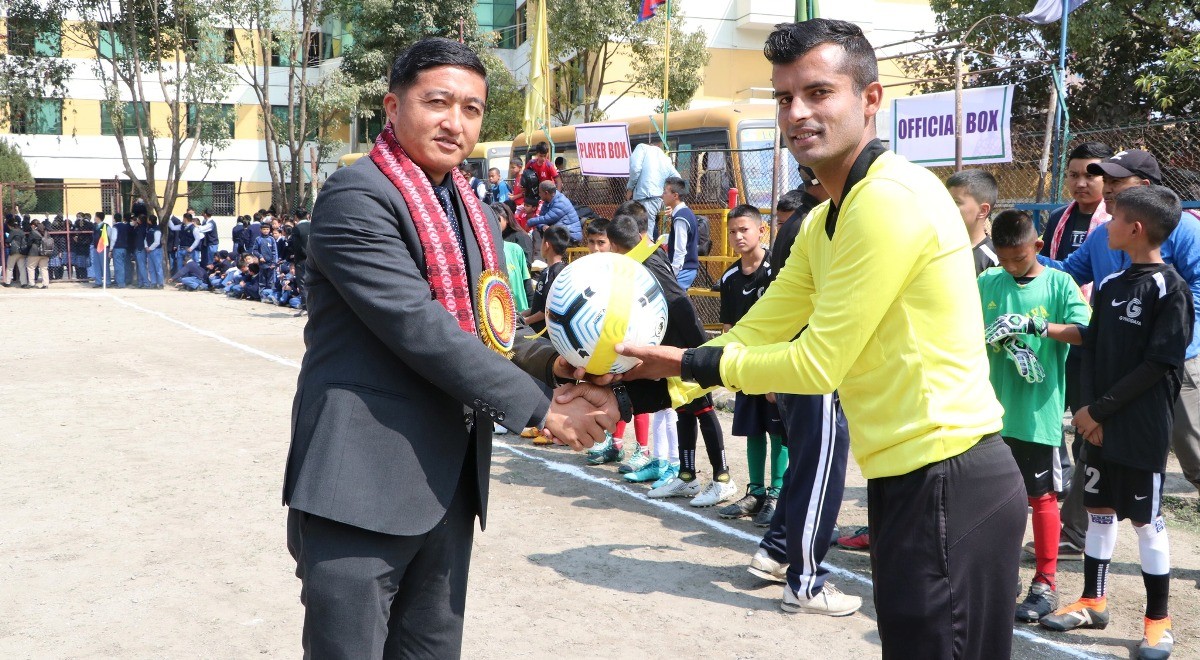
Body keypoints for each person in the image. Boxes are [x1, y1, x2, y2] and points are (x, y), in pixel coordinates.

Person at [592, 20, 1025, 651]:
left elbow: (819, 363)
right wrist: (632, 391)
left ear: (870, 99)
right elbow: (758, 329)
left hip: (948, 478)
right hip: (909, 478)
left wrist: (687, 362)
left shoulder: (889, 198)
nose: (797, 113)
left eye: (819, 92)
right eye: (784, 97)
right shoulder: (826, 219)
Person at [281, 37, 619, 658]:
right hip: (360, 486)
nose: (455, 122)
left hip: (448, 488)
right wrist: (542, 408)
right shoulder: (356, 197)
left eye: (472, 109)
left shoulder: (475, 213)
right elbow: (420, 326)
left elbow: (493, 327)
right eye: (437, 102)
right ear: (393, 106)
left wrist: (558, 363)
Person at [1039, 186, 1190, 660]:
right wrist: (1086, 411)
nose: (1106, 225)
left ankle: (1158, 621)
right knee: (1100, 511)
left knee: (1146, 521)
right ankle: (1093, 600)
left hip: (1140, 427)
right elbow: (1093, 345)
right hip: (1099, 423)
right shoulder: (1109, 285)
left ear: (1136, 229)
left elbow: (1159, 364)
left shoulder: (1170, 289)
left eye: (1115, 218)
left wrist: (1099, 410)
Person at [1039, 148, 1200, 557]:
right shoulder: (1104, 234)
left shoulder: (1183, 229)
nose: (1106, 189)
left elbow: (1196, 291)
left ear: (1143, 188)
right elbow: (1067, 271)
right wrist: (1019, 252)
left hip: (1175, 365)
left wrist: (1170, 341)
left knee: (1194, 456)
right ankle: (1077, 533)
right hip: (1118, 364)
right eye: (1106, 181)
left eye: (1116, 182)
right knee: (1094, 442)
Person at [977, 210, 1091, 622]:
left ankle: (1045, 583)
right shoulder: (988, 281)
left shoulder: (1059, 283)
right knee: (989, 498)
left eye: (1019, 258)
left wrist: (1035, 327)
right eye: (1004, 258)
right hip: (988, 412)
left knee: (1042, 497)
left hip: (1036, 413)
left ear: (1037, 247)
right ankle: (996, 575)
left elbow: (1086, 332)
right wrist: (990, 337)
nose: (1010, 266)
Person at [606, 214, 736, 508]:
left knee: (703, 408)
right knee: (684, 408)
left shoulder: (648, 264)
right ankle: (687, 475)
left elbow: (679, 301)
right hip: (671, 348)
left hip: (684, 348)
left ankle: (723, 478)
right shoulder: (644, 258)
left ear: (614, 245)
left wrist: (701, 350)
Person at [715, 205, 787, 524]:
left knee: (778, 431)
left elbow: (786, 322)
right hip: (746, 364)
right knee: (753, 429)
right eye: (732, 231)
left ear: (762, 230)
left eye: (744, 229)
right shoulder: (729, 278)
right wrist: (732, 368)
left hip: (773, 363)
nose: (738, 236)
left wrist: (775, 376)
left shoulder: (777, 270)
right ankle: (756, 492)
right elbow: (729, 328)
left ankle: (777, 493)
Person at [946, 169, 999, 276]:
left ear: (982, 210)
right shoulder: (939, 249)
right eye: (946, 201)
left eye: (956, 202)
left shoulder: (996, 259)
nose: (947, 206)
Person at [521, 224, 569, 334]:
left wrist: (525, 321)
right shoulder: (547, 271)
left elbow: (547, 310)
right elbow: (539, 306)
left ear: (546, 245)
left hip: (545, 336)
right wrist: (521, 314)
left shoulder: (556, 273)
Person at [626, 139, 680, 235]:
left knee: (645, 234)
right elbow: (677, 178)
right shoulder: (664, 157)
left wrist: (630, 188)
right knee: (651, 227)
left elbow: (635, 169)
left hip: (645, 197)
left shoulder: (641, 147)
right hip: (659, 199)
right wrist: (672, 200)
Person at [662, 176, 700, 289]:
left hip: (683, 269)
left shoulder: (681, 217)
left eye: (665, 192)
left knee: (673, 298)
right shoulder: (685, 213)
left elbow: (680, 249)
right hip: (686, 269)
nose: (662, 195)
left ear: (675, 195)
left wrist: (673, 273)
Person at [24, 219, 51, 289]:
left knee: (31, 267)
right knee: (44, 268)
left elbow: (29, 243)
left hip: (34, 252)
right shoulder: (46, 232)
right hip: (45, 252)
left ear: (33, 225)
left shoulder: (33, 232)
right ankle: (45, 284)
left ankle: (31, 283)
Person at [3, 217, 28, 288]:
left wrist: (7, 244)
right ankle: (24, 283)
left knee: (10, 267)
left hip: (14, 251)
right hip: (22, 251)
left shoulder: (12, 231)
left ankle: (7, 282)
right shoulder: (21, 231)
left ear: (10, 225)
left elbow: (8, 241)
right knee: (22, 268)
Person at [110, 212, 130, 288]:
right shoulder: (125, 226)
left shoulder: (115, 227)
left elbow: (113, 238)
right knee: (124, 265)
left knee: (118, 266)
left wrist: (111, 249)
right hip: (125, 247)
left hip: (117, 247)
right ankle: (125, 280)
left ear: (114, 219)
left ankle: (120, 283)